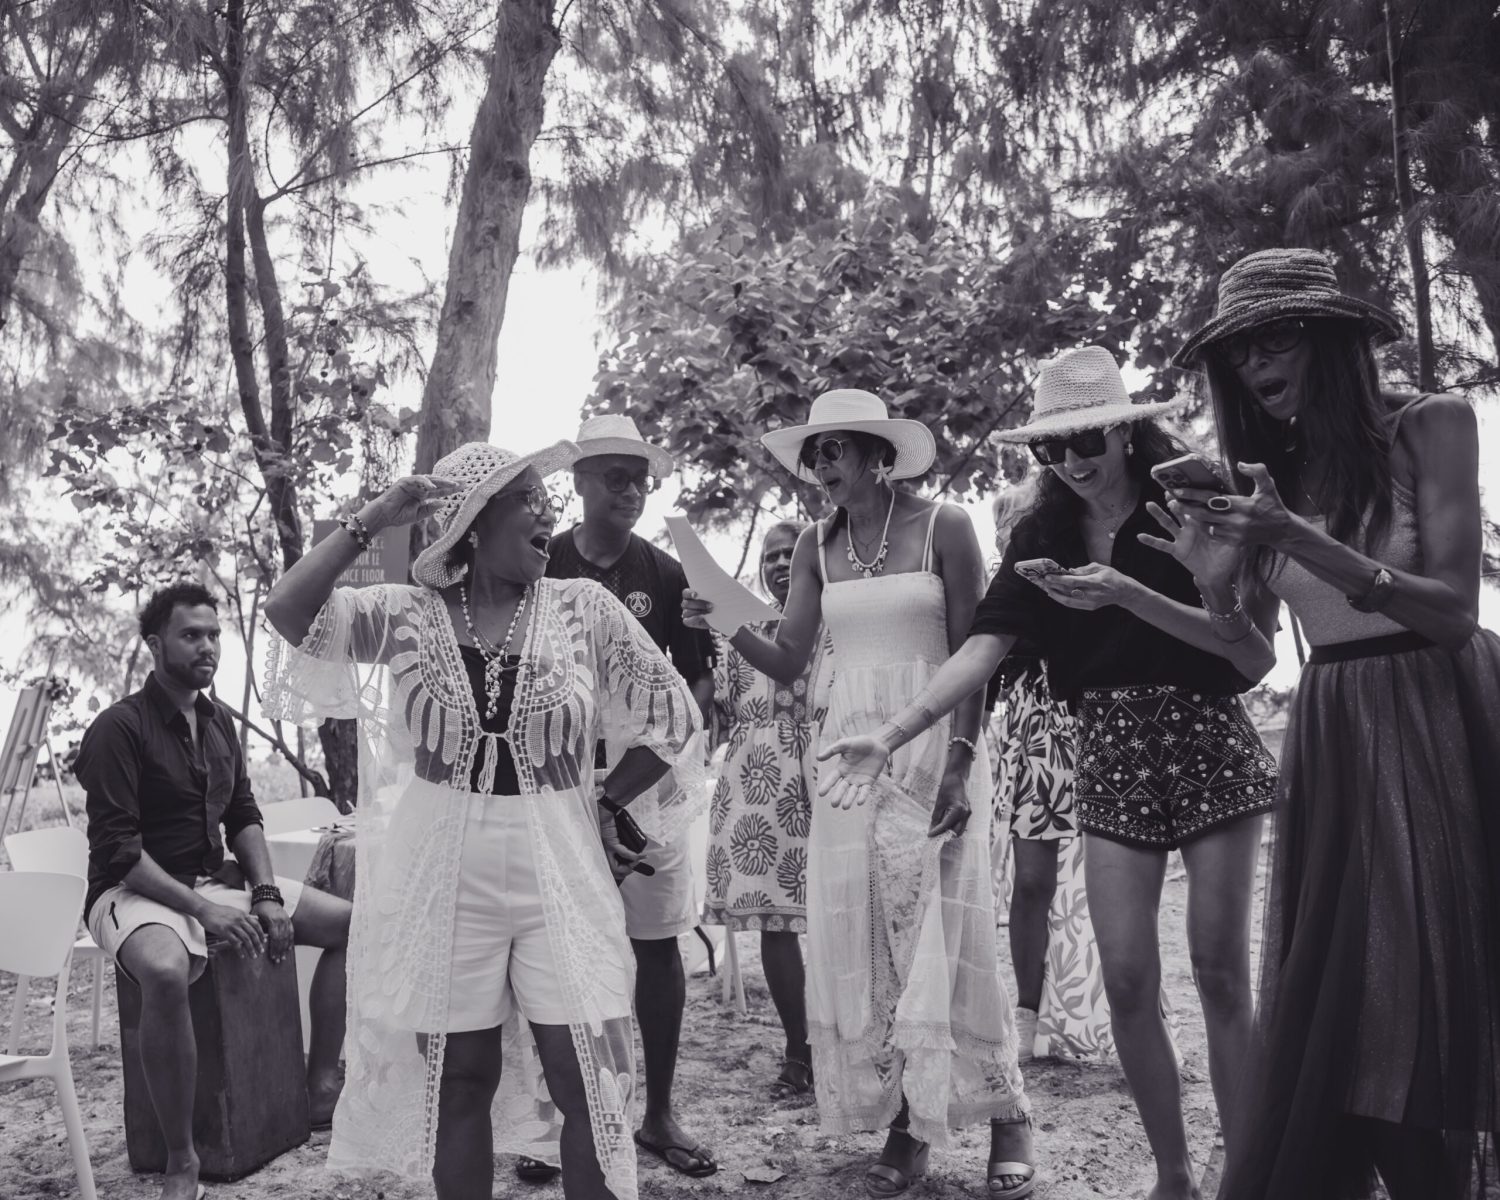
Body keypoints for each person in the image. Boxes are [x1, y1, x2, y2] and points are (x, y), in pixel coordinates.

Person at [816, 348, 1280, 1200]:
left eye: (1088, 438)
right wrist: (893, 732)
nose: (1071, 460)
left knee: (1220, 971)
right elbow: (984, 646)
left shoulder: (1190, 506)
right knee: (1128, 978)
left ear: (1127, 432)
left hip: (1207, 738)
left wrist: (1134, 595)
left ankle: (1249, 1176)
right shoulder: (1043, 534)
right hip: (1108, 750)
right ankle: (1174, 1178)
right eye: (1051, 447)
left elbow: (1253, 660)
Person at [263, 442, 704, 1200]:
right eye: (528, 498)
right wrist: (375, 517)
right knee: (460, 1078)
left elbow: (674, 714)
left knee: (587, 1078)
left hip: (559, 863)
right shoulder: (408, 614)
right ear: (475, 521)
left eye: (546, 499)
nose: (548, 512)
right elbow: (287, 611)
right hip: (442, 872)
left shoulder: (583, 610)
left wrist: (605, 804)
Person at [1169, 247, 1500, 1200]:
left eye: (1275, 339)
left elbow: (1453, 613)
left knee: (1424, 996)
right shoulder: (1267, 476)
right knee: (1350, 1008)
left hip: (1435, 720)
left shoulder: (1428, 424)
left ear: (1331, 337)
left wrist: (1299, 538)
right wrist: (1212, 585)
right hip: (1333, 733)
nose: (1255, 365)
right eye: (1238, 352)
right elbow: (1252, 660)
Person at [684, 389, 1033, 1199]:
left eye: (833, 449)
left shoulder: (946, 526)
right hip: (846, 754)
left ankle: (1007, 1112)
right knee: (875, 938)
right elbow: (789, 657)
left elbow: (976, 649)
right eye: (813, 455)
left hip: (935, 740)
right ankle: (909, 1124)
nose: (820, 466)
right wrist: (724, 622)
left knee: (950, 929)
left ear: (879, 454)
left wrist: (961, 757)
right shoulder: (815, 543)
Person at [76, 582, 351, 1200]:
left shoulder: (218, 720)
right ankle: (182, 1160)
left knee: (348, 924)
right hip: (130, 893)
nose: (207, 647)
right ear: (155, 645)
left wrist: (265, 892)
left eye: (213, 635)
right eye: (190, 635)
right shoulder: (119, 728)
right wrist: (202, 910)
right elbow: (120, 852)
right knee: (165, 970)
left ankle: (318, 1090)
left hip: (210, 882)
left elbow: (243, 813)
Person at [536, 413, 718, 1181]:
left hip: (650, 789)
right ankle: (558, 1121)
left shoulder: (666, 574)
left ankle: (658, 1114)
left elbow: (697, 684)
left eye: (641, 479)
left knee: (657, 942)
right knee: (555, 948)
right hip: (556, 784)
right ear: (578, 481)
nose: (631, 491)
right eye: (615, 476)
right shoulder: (538, 561)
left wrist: (644, 766)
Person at [701, 518, 832, 1100]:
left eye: (790, 554)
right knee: (776, 924)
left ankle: (845, 1042)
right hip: (758, 784)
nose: (781, 564)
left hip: (828, 771)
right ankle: (798, 1049)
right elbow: (722, 710)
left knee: (841, 914)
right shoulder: (743, 629)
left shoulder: (841, 622)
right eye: (771, 556)